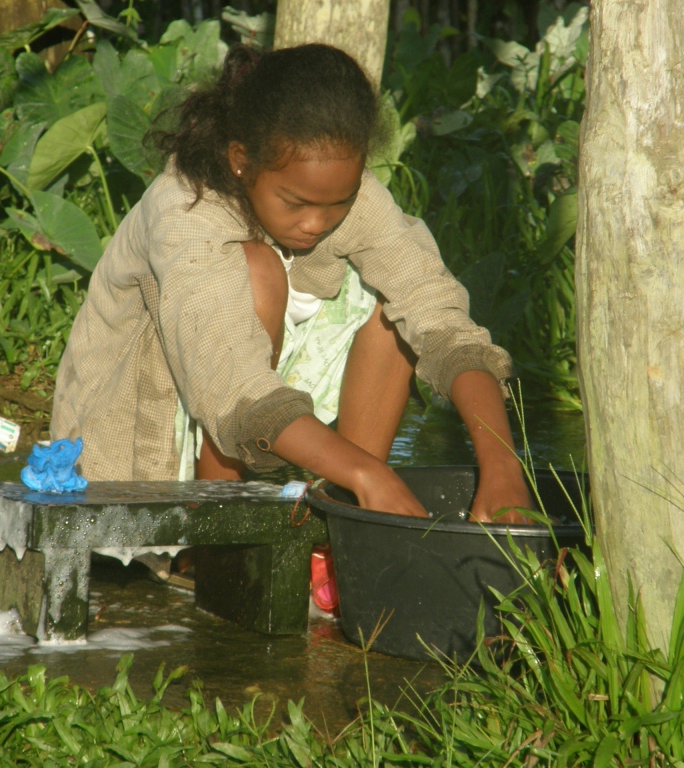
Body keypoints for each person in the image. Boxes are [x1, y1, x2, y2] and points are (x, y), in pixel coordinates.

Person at [51, 42, 532, 525]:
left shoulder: (350, 196)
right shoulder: (185, 211)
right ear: (241, 160)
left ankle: (342, 519)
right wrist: (370, 474)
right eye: (296, 203)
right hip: (147, 443)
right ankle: (212, 530)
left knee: (397, 311)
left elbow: (438, 314)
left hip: (271, 420)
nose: (316, 223)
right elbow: (232, 382)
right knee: (259, 272)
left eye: (338, 203)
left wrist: (503, 466)